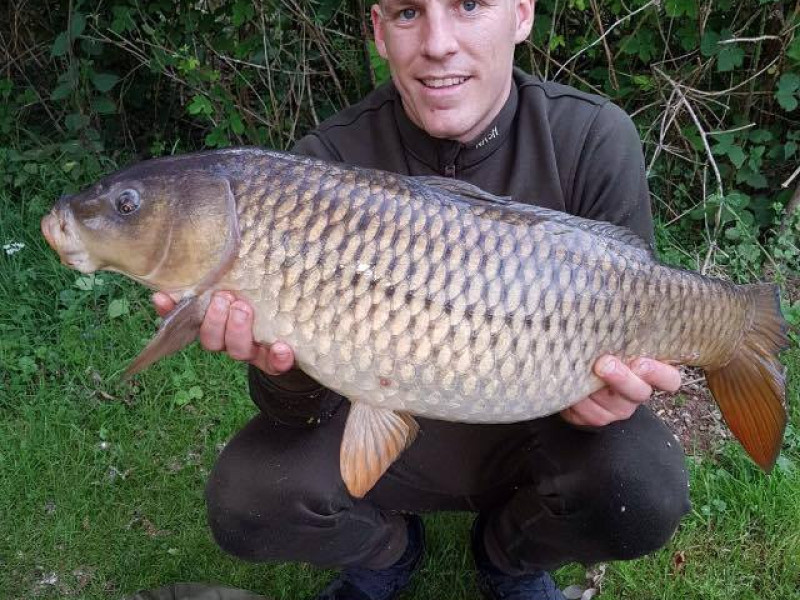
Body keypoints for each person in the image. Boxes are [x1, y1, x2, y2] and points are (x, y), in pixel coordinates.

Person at [154, 1, 690, 598]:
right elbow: (292, 412)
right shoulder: (320, 168)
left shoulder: (591, 137)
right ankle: (385, 553)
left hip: (533, 426)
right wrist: (278, 370)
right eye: (409, 12)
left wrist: (607, 394)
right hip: (380, 430)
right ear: (379, 31)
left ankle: (507, 556)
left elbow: (633, 322)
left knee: (644, 488)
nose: (438, 43)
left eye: (468, 6)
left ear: (521, 14)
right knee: (247, 498)